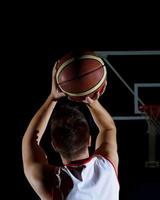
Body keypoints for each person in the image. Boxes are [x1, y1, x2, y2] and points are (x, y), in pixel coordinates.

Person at [22, 61, 119, 200]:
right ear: (89, 139)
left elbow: (29, 142)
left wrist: (53, 98)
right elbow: (108, 127)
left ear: (54, 145)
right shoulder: (107, 167)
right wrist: (91, 99)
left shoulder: (53, 183)